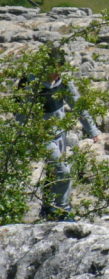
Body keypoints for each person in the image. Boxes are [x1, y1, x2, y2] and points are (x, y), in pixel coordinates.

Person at [20, 49, 100, 221]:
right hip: (42, 136)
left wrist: (92, 129)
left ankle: (48, 208)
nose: (56, 74)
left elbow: (78, 105)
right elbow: (20, 113)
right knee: (64, 171)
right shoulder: (33, 85)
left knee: (53, 172)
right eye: (54, 69)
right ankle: (63, 210)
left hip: (60, 134)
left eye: (59, 69)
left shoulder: (64, 83)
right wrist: (19, 138)